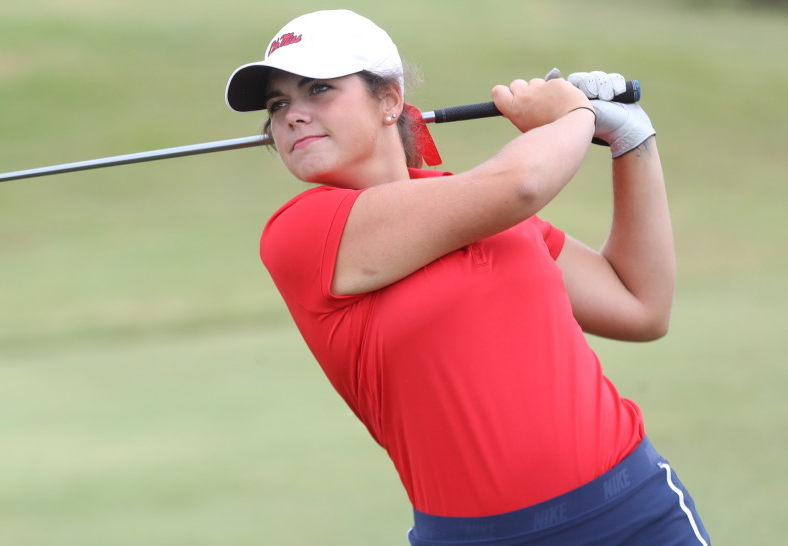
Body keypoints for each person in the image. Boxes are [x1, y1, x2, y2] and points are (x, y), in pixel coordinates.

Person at [225, 9, 710, 545]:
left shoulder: (482, 210)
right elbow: (523, 182)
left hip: (634, 514)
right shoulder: (300, 232)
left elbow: (641, 307)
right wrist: (573, 114)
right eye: (278, 104)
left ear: (389, 100)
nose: (293, 115)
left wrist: (632, 142)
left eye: (318, 89)